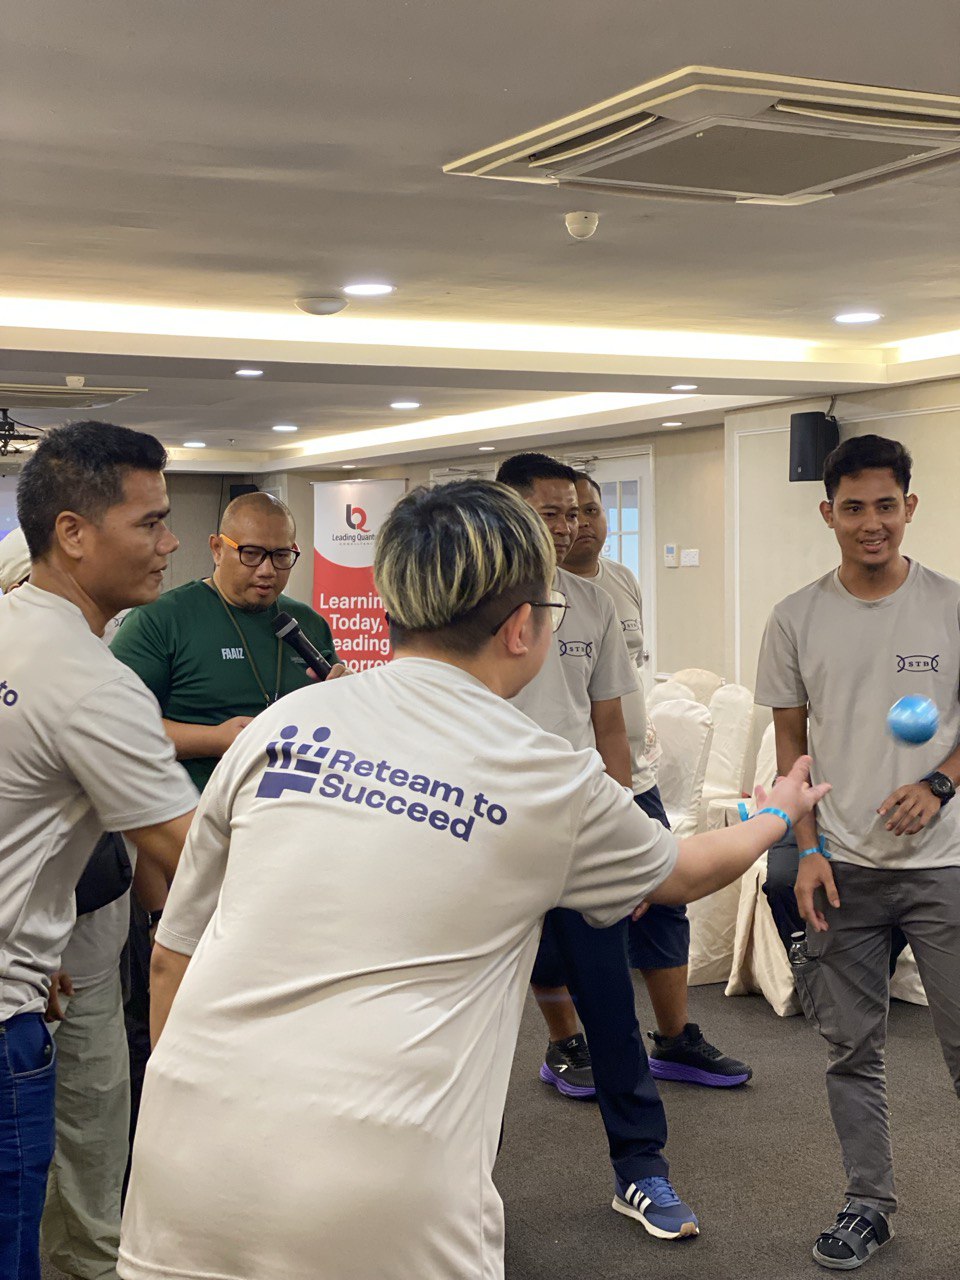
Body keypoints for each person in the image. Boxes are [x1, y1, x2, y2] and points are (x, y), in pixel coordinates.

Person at [118, 478, 828, 1280]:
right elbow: (684, 872)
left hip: (180, 1169)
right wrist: (777, 812)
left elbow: (172, 959)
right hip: (375, 1194)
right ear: (523, 626)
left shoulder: (279, 726)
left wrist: (185, 1112)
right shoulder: (542, 772)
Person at [755, 433, 960, 1271]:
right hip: (840, 866)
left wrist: (940, 783)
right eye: (853, 508)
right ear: (827, 513)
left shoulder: (952, 606)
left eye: (885, 506)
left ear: (909, 507)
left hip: (945, 866)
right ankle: (867, 1203)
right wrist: (805, 847)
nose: (870, 523)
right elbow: (791, 749)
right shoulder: (795, 617)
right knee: (852, 1050)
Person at [0, 421, 198, 1280]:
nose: (170, 541)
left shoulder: (11, 627)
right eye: (150, 522)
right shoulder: (93, 683)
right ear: (73, 533)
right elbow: (197, 858)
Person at [497, 452, 694, 1240]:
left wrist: (624, 839)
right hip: (485, 839)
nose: (566, 526)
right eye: (548, 513)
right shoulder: (468, 603)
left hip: (579, 835)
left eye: (573, 512)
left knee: (611, 1008)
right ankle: (453, 1186)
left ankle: (641, 1169)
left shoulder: (591, 602)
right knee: (465, 1022)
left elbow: (610, 727)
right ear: (510, 512)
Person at [110, 489, 342, 1147]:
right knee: (187, 1004)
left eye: (282, 557)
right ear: (217, 547)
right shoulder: (161, 621)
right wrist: (217, 738)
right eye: (252, 554)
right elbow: (116, 731)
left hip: (294, 844)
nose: (267, 571)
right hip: (188, 844)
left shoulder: (305, 626)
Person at [565, 471, 751, 1086]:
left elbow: (629, 679)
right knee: (567, 915)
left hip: (631, 775)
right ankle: (566, 1044)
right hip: (567, 780)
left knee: (664, 899)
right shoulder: (530, 598)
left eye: (591, 510)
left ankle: (674, 1039)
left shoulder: (620, 582)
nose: (581, 523)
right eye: (565, 513)